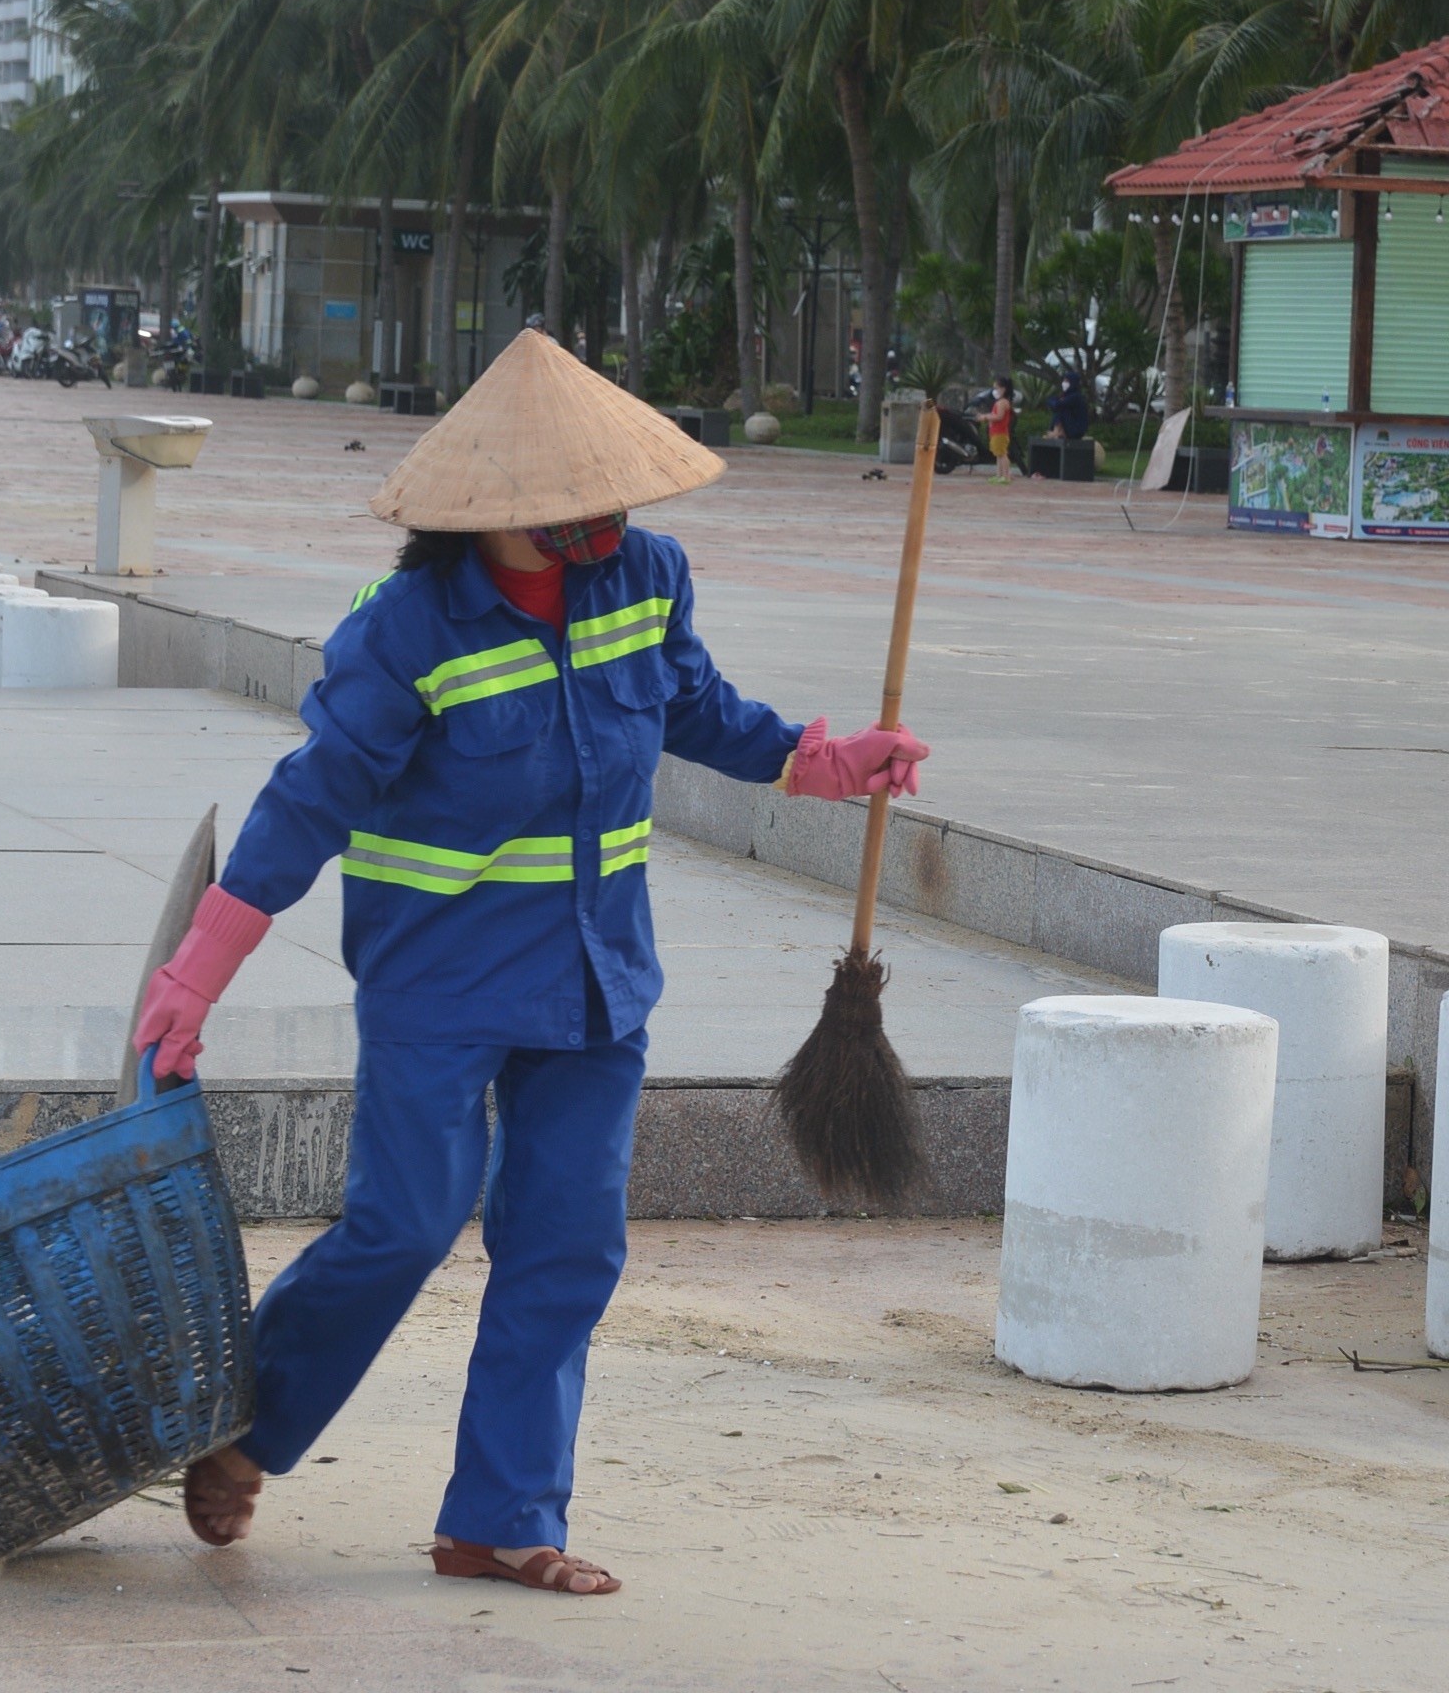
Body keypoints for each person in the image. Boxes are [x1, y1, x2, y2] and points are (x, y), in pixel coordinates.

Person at [130, 330, 932, 1597]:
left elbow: (699, 708)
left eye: (614, 497)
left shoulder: (646, 577)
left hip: (597, 975)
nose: (605, 520)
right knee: (401, 1223)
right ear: (492, 515)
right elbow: (307, 803)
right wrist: (198, 972)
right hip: (439, 981)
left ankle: (500, 1517)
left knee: (566, 1243)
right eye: (574, 507)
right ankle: (247, 1426)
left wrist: (823, 760)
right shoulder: (401, 633)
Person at [986, 377, 1015, 481]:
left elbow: (999, 416)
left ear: (1003, 389)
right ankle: (999, 475)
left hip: (1000, 432)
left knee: (1002, 454)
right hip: (995, 432)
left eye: (996, 388)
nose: (994, 391)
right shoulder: (999, 402)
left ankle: (1006, 476)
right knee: (998, 454)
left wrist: (986, 417)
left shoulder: (1003, 403)